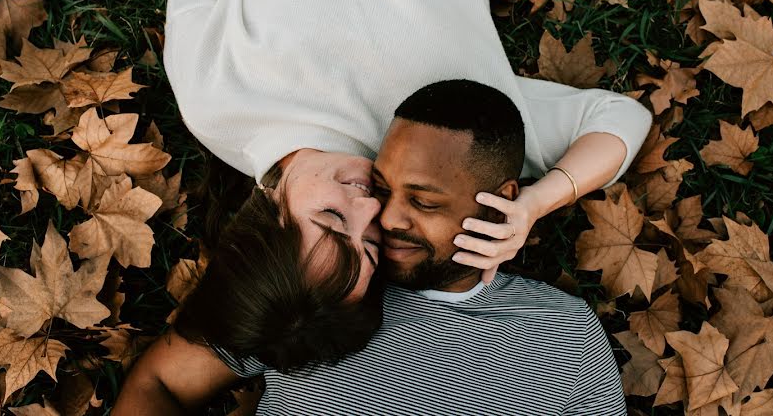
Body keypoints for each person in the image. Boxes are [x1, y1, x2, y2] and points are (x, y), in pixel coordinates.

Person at [160, 0, 651, 372]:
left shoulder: (218, 106)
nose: (369, 205)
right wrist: (534, 204)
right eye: (370, 243)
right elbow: (618, 118)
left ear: (270, 209)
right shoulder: (427, 150)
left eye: (330, 216)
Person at [114, 80, 629, 415]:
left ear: (501, 202)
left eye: (424, 203)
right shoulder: (322, 285)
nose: (384, 217)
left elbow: (620, 117)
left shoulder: (564, 331)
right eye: (381, 190)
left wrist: (542, 200)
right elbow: (162, 382)